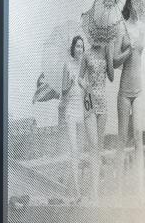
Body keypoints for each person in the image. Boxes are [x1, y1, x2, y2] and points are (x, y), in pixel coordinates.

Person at [112, 0, 145, 193]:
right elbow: (115, 62)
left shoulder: (141, 29)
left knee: (139, 135)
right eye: (136, 1)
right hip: (124, 92)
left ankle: (140, 190)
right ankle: (119, 189)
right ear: (130, 2)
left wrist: (135, 48)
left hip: (139, 90)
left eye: (141, 2)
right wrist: (127, 50)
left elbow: (140, 60)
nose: (139, 5)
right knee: (122, 139)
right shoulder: (121, 28)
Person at [79, 39, 114, 200]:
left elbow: (112, 76)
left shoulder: (106, 52)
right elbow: (80, 77)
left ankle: (96, 190)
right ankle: (94, 192)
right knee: (93, 145)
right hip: (89, 102)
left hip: (103, 104)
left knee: (99, 147)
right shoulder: (86, 54)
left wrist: (109, 54)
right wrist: (85, 86)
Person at [59, 35, 85, 198]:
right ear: (72, 48)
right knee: (73, 149)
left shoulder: (84, 65)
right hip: (70, 110)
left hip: (82, 110)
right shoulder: (67, 64)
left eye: (82, 47)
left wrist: (83, 83)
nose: (80, 49)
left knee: (79, 150)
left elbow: (87, 89)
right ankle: (76, 191)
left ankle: (71, 186)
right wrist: (70, 82)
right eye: (77, 46)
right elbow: (63, 91)